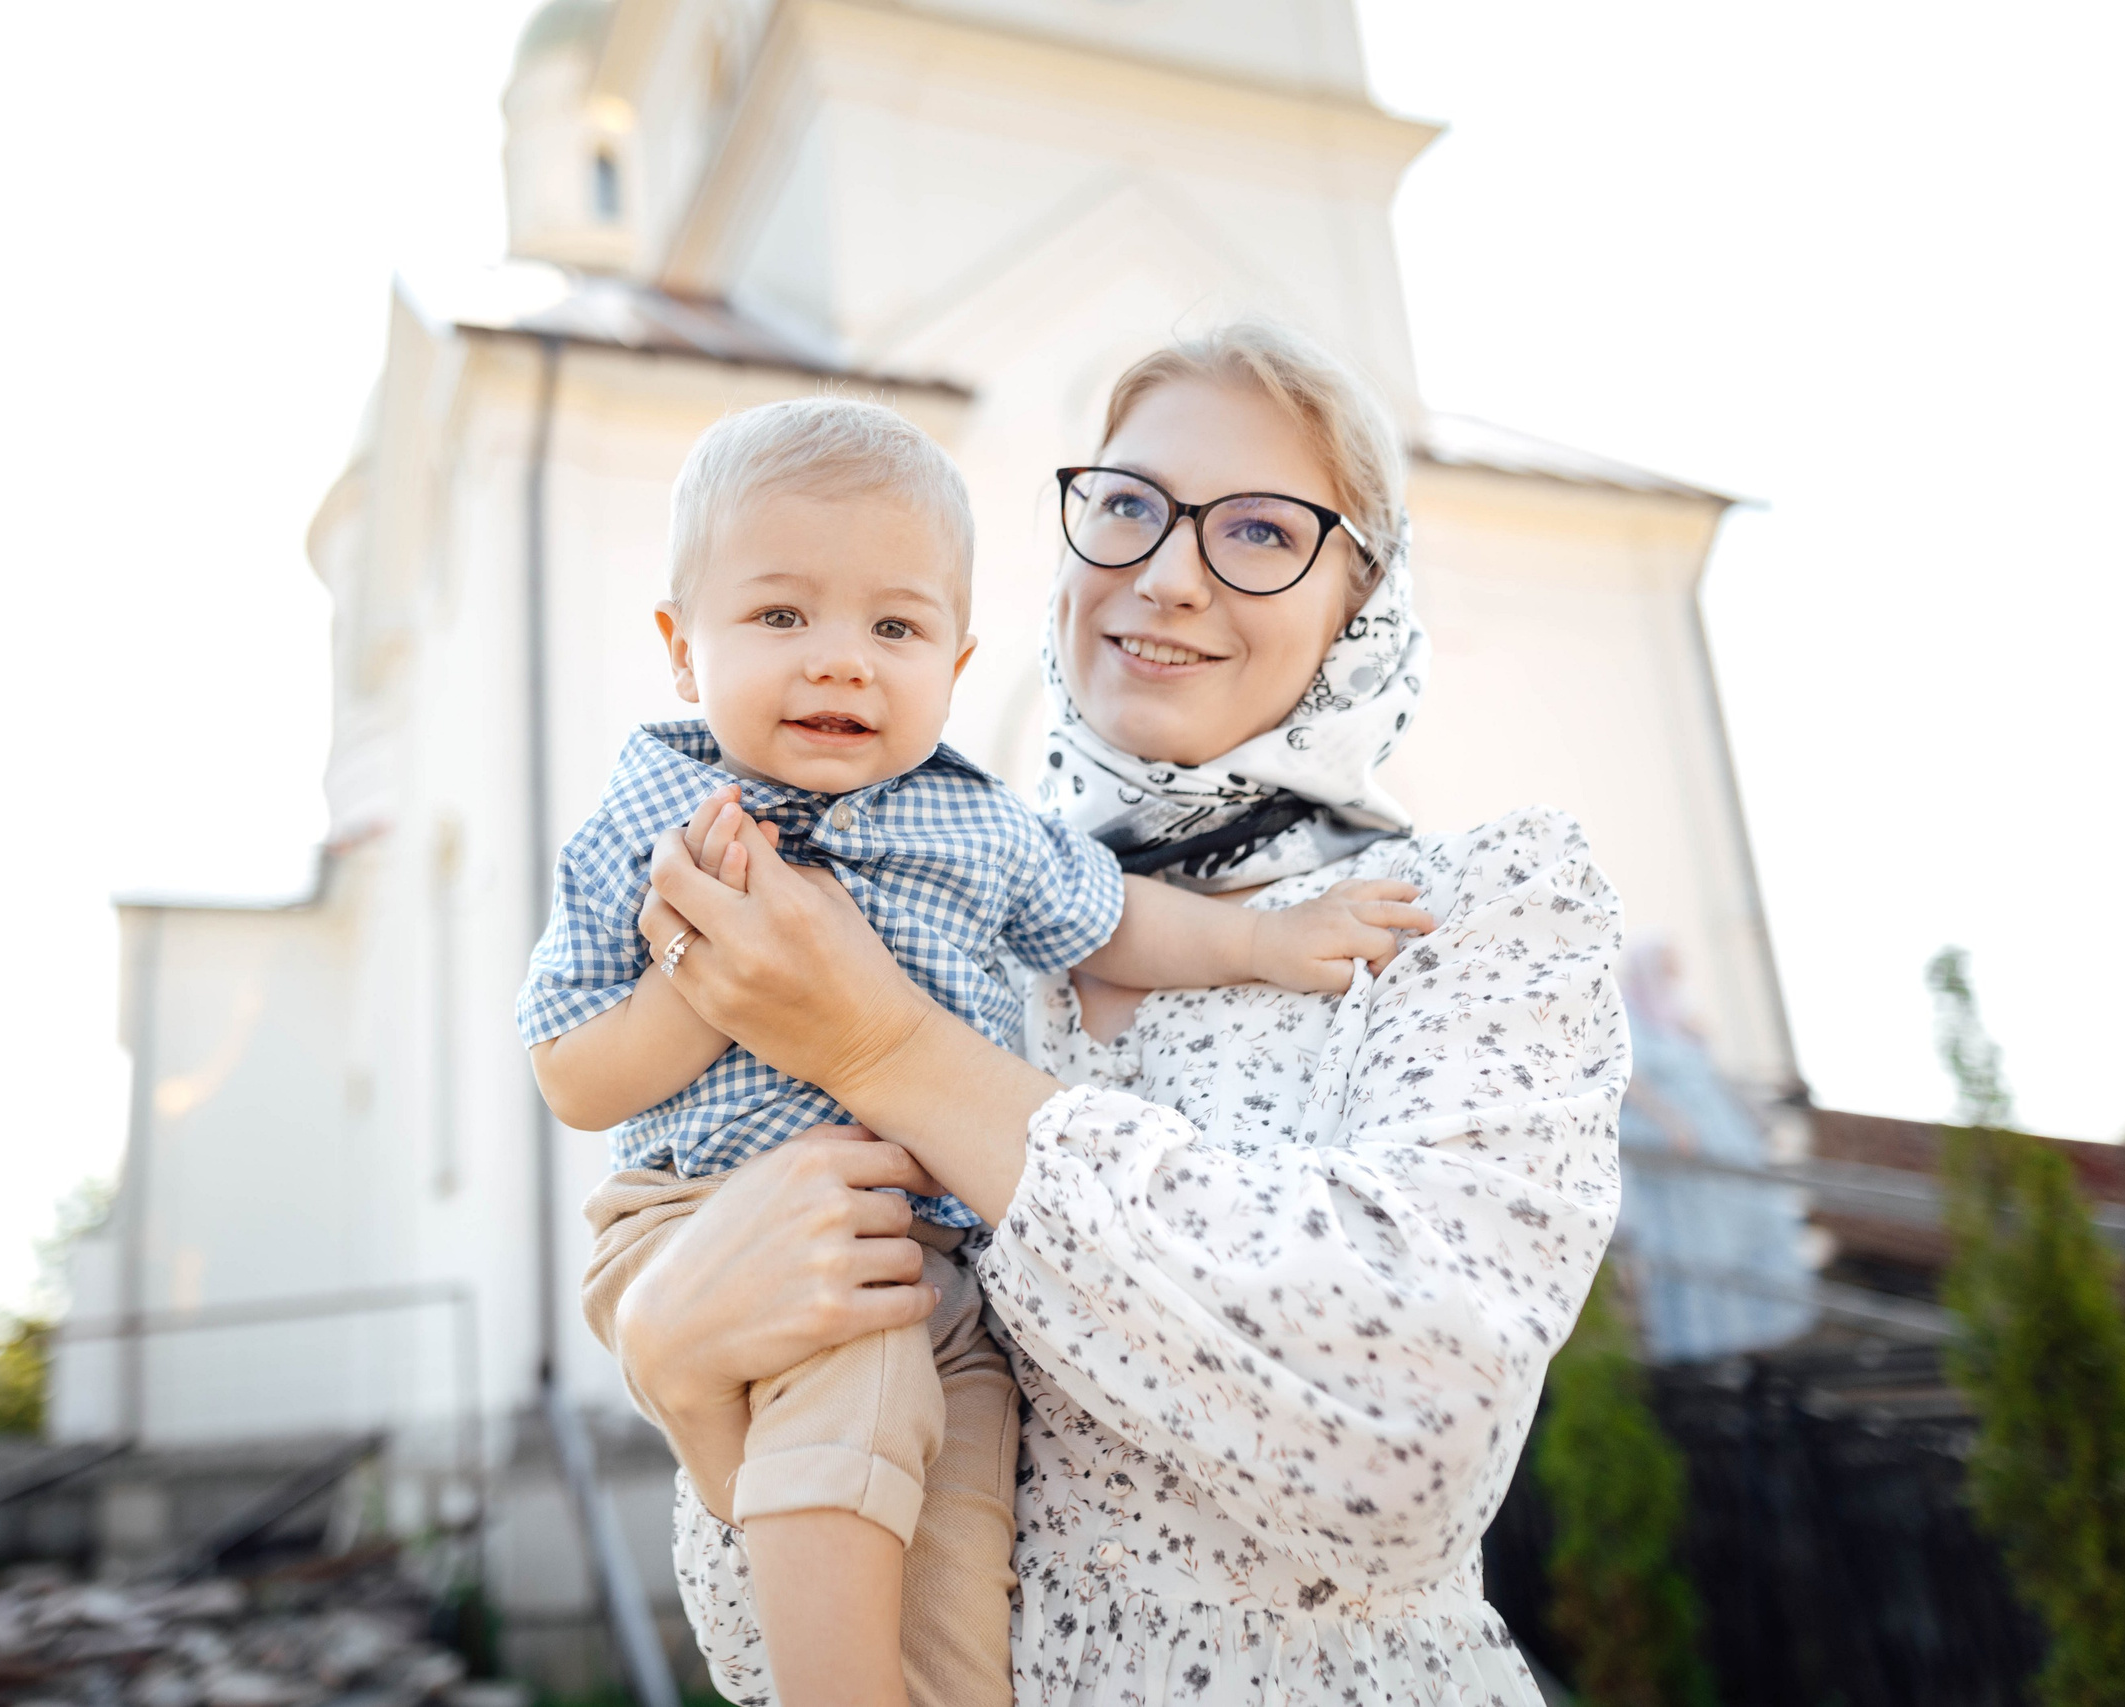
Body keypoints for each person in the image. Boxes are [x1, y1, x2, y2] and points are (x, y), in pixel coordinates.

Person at [615, 324, 1630, 1706]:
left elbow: (1410, 1439)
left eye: (1262, 530)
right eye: (1127, 507)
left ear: (1362, 601)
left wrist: (890, 1054)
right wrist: (682, 1365)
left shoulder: (1460, 911)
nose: (1165, 573)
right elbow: (765, 1637)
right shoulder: (916, 914)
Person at [1615, 939, 1816, 1360]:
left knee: (1744, 1224)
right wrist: (1671, 1123)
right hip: (1675, 1142)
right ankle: (1703, 1341)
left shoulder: (1681, 1016)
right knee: (1693, 1241)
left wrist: (1755, 1118)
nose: (1673, 977)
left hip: (1721, 1134)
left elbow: (1717, 1073)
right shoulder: (1626, 1017)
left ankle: (1756, 1333)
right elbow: (1632, 1081)